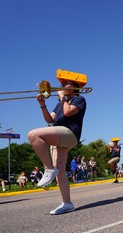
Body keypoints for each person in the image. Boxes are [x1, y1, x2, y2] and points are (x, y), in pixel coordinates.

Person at [27, 69, 87, 215]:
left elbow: (67, 112)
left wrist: (63, 99)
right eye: (63, 83)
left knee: (33, 135)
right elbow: (50, 119)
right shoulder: (60, 103)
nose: (63, 86)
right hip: (59, 135)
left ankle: (48, 169)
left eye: (67, 84)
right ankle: (67, 203)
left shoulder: (79, 99)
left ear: (75, 87)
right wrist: (42, 105)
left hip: (70, 134)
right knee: (59, 169)